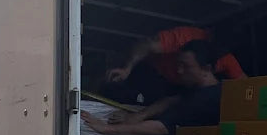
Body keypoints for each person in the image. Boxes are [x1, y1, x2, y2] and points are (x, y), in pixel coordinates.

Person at [83, 39, 223, 135]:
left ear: (207, 69)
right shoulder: (198, 91)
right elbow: (169, 101)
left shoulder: (205, 101)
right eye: (179, 65)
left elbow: (160, 128)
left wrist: (105, 128)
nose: (179, 71)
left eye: (186, 66)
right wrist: (138, 116)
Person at [104, 25, 244, 105]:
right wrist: (127, 68)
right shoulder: (186, 36)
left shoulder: (225, 57)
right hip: (155, 74)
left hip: (181, 89)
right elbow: (147, 44)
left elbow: (246, 84)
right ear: (209, 35)